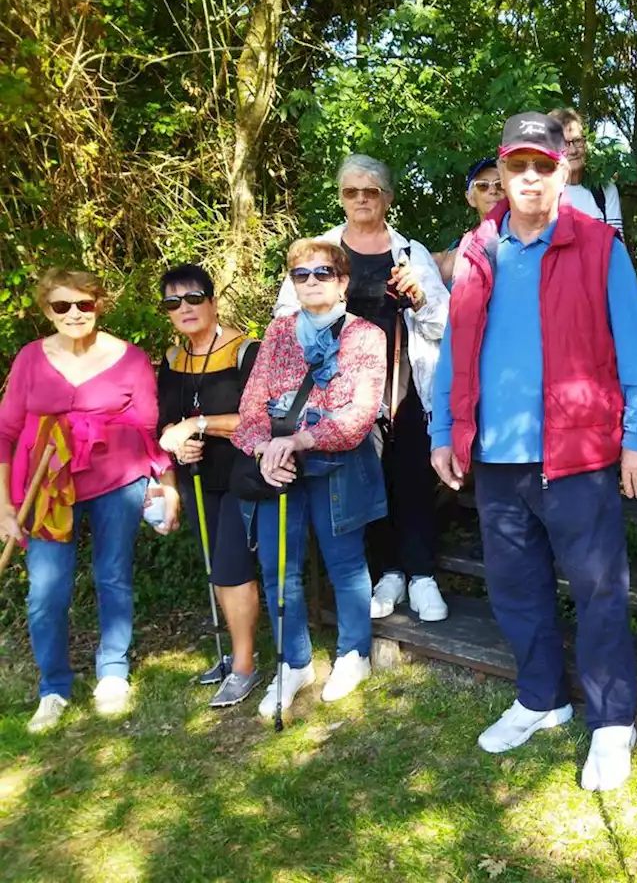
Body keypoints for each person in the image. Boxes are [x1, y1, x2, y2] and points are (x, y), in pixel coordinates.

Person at [429, 111, 637, 792]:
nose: (530, 178)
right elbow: (454, 352)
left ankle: (612, 723)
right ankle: (541, 699)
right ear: (500, 171)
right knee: (516, 591)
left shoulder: (596, 244)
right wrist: (445, 431)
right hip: (496, 461)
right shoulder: (476, 249)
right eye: (518, 166)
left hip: (581, 453)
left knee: (598, 594)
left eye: (544, 165)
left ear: (563, 170)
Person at [0, 269, 178, 733]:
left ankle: (113, 674)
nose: (74, 314)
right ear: (47, 311)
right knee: (45, 592)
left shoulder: (130, 358)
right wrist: (3, 505)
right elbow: (5, 434)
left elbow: (148, 430)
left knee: (113, 575)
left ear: (99, 305)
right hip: (46, 486)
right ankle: (53, 687)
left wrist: (167, 486)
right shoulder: (30, 360)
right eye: (62, 306)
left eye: (84, 304)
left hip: (118, 479)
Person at [276, 154, 450, 624]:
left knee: (412, 476)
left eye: (370, 191)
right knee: (364, 482)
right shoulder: (320, 252)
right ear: (341, 197)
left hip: (405, 385)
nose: (360, 200)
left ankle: (422, 575)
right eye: (351, 192)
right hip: (342, 390)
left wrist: (420, 300)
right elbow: (285, 322)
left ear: (387, 198)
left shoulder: (410, 253)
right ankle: (389, 572)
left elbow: (445, 324)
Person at [236, 238, 388, 716]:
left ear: (343, 281)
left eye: (323, 272)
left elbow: (361, 411)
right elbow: (251, 405)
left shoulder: (366, 335)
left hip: (337, 464)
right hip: (278, 467)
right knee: (279, 568)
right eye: (301, 274)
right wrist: (264, 448)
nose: (312, 282)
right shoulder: (278, 332)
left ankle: (354, 653)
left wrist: (298, 441)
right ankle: (294, 662)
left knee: (345, 563)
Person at [156, 263, 263, 708]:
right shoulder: (172, 360)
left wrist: (197, 425)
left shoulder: (246, 351)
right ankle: (238, 655)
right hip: (200, 479)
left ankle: (243, 667)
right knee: (218, 568)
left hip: (243, 478)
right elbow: (165, 424)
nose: (185, 308)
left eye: (194, 298)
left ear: (213, 301)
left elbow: (258, 420)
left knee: (231, 569)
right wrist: (178, 445)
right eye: (173, 302)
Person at [547, 107, 624, 234]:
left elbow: (616, 246)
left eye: (577, 141)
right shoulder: (543, 193)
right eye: (564, 144)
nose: (573, 151)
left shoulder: (604, 191)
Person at [436, 158, 505, 286]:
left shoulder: (526, 236)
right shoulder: (461, 247)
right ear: (471, 198)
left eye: (499, 184)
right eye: (483, 186)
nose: (493, 191)